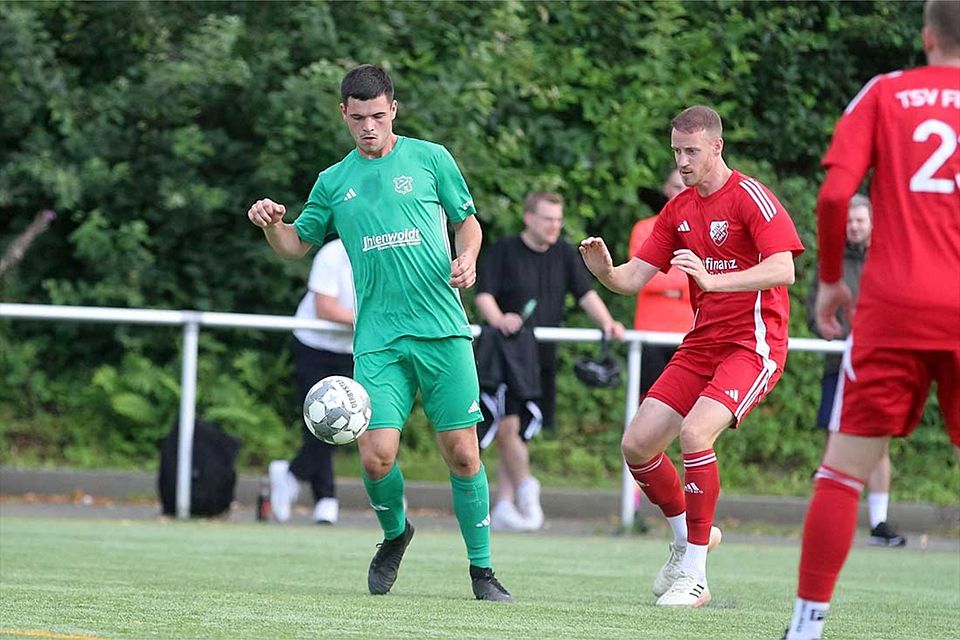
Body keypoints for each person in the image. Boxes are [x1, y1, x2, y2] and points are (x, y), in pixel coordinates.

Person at [247, 64, 512, 602]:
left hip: (442, 331)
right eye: (357, 117)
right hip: (379, 341)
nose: (368, 126)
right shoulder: (334, 181)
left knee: (462, 454)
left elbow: (468, 221)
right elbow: (297, 245)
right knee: (375, 456)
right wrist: (274, 224)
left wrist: (469, 256)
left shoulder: (431, 159)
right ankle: (395, 534)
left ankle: (482, 571)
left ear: (393, 108)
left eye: (377, 115)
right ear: (343, 114)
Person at [580, 105, 804, 607]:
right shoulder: (678, 210)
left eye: (691, 152)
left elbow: (784, 269)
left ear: (717, 147)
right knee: (637, 444)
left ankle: (697, 576)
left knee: (696, 432)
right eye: (677, 151)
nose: (682, 161)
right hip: (702, 343)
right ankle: (685, 541)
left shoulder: (750, 197)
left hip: (753, 343)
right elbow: (632, 279)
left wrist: (712, 279)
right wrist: (605, 272)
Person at [785, 2, 959, 637]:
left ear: (926, 36)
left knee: (843, 469)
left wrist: (831, 277)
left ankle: (806, 627)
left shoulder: (886, 92)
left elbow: (835, 194)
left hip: (895, 307)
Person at [474, 191, 626, 532]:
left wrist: (607, 322)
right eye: (548, 218)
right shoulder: (505, 250)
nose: (554, 225)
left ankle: (504, 504)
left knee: (521, 431)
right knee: (507, 425)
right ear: (529, 218)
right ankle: (526, 487)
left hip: (542, 357)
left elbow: (585, 294)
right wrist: (500, 319)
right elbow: (483, 294)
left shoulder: (564, 254)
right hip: (508, 354)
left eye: (558, 219)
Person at [806, 195, 906, 548]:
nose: (854, 227)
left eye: (860, 221)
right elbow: (816, 314)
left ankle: (879, 521)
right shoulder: (829, 264)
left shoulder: (891, 258)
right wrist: (845, 337)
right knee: (837, 441)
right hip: (841, 364)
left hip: (880, 365)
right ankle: (831, 523)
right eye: (849, 221)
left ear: (872, 223)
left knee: (879, 443)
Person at [269, 239, 355, 526]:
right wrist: (369, 319)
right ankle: (324, 497)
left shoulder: (385, 254)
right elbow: (325, 308)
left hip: (353, 349)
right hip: (313, 344)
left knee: (343, 422)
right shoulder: (332, 254)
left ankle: (293, 478)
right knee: (322, 421)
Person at [627, 169, 694, 520]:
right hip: (651, 337)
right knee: (645, 422)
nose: (680, 191)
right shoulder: (645, 227)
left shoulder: (701, 225)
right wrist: (681, 281)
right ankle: (636, 504)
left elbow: (704, 279)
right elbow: (644, 277)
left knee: (692, 426)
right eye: (674, 187)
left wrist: (677, 280)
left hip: (688, 338)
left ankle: (686, 502)